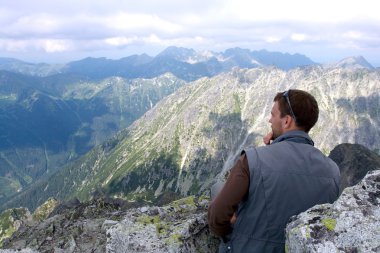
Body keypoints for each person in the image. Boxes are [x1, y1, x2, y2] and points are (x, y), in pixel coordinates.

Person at [208, 89, 340, 253]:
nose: (269, 120)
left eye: (273, 115)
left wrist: (230, 230)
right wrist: (274, 148)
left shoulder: (252, 159)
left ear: (286, 122)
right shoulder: (333, 171)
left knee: (217, 187)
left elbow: (216, 218)